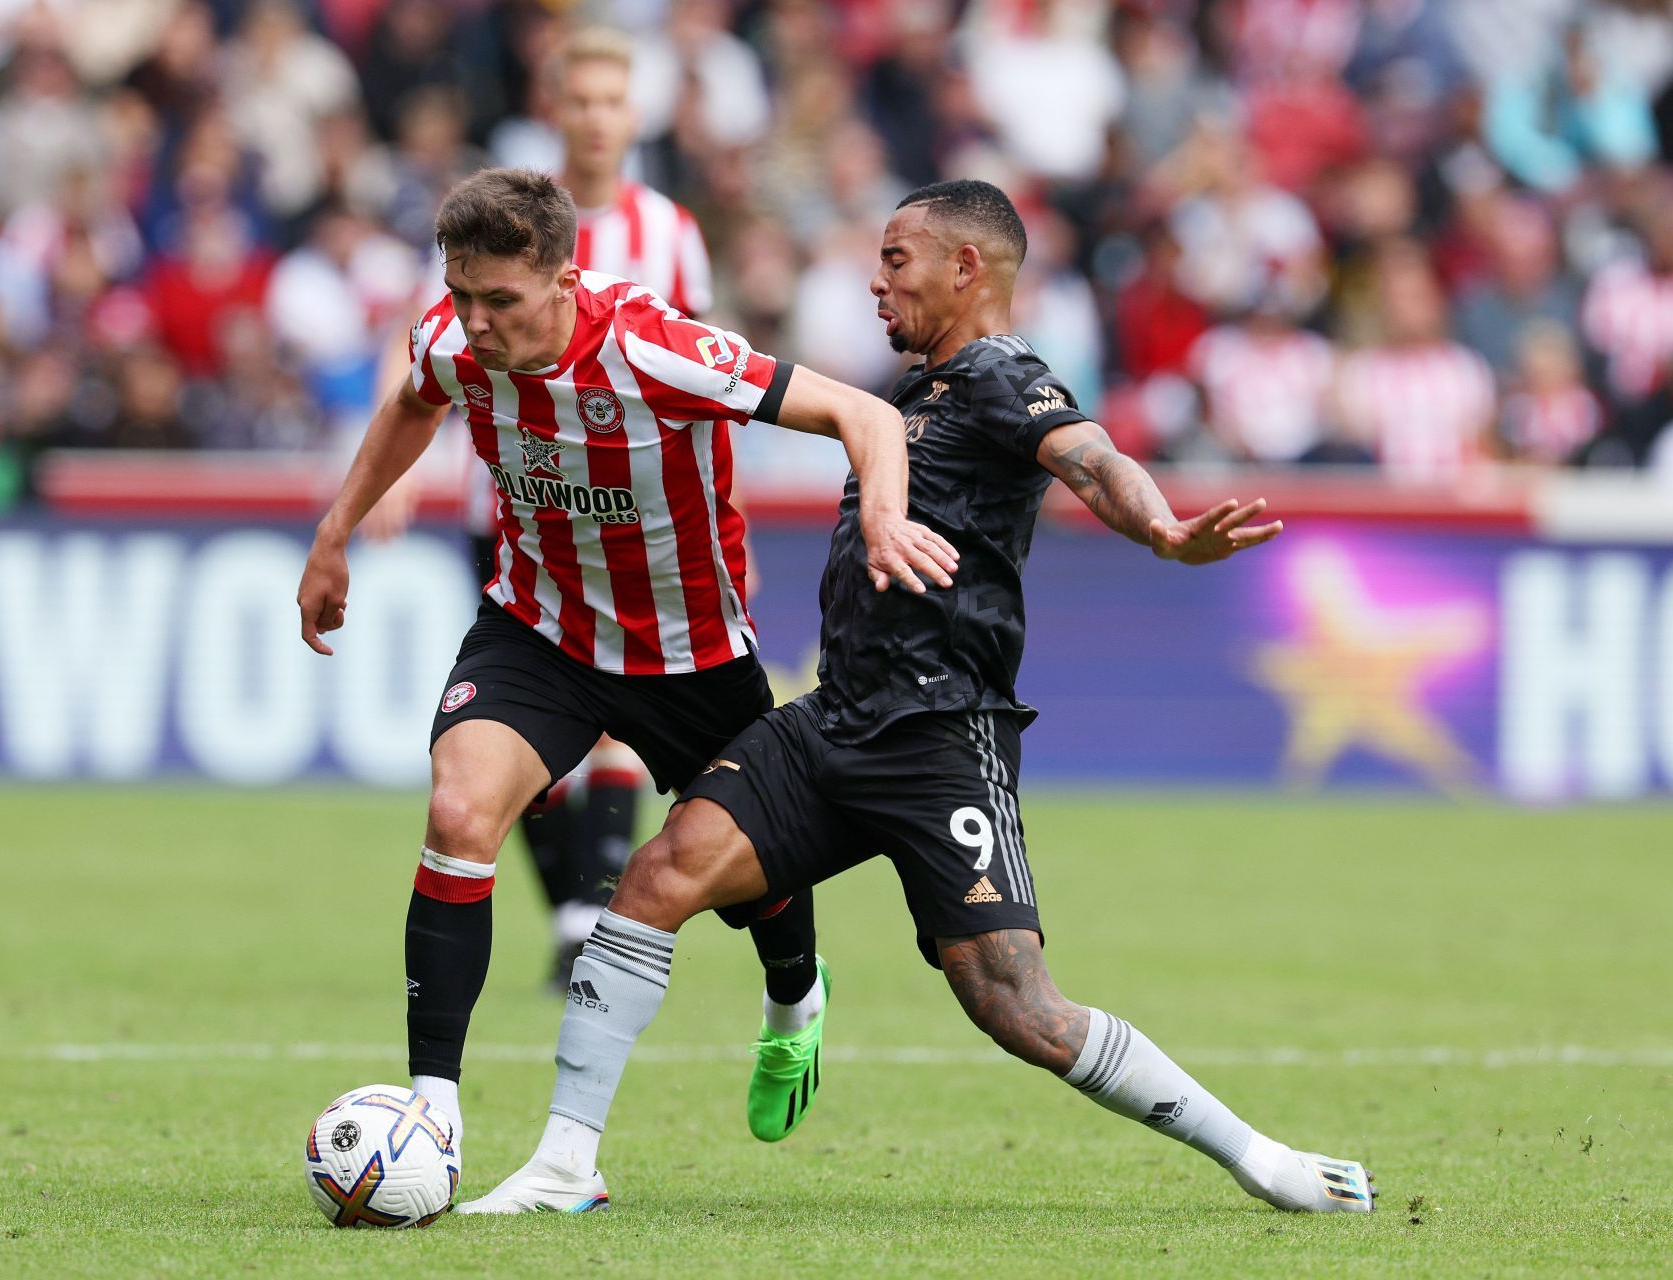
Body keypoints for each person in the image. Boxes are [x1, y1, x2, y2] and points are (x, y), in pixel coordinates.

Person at [465, 180, 1375, 1217]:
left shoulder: (1001, 375)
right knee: (658, 875)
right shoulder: (912, 395)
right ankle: (564, 1164)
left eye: (896, 258)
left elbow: (1092, 457)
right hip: (834, 716)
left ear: (965, 269)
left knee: (1017, 1005)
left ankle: (1265, 1159)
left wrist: (1163, 529)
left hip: (941, 733)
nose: (874, 277)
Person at [294, 167, 959, 1171]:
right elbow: (409, 404)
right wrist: (335, 531)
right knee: (459, 812)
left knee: (750, 880)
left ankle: (794, 996)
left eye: (500, 301)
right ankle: (434, 1107)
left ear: (564, 278)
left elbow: (865, 417)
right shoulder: (451, 339)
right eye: (462, 294)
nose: (475, 322)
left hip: (689, 650)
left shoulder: (654, 346)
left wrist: (881, 515)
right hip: (540, 630)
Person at [371, 28, 725, 997]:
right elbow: (420, 340)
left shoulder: (671, 232)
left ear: (635, 115)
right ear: (555, 108)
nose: (598, 119)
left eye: (615, 102)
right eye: (582, 101)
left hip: (635, 513)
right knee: (514, 717)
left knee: (614, 717)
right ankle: (577, 906)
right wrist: (389, 469)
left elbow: (704, 375)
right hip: (513, 504)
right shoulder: (505, 218)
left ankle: (585, 908)